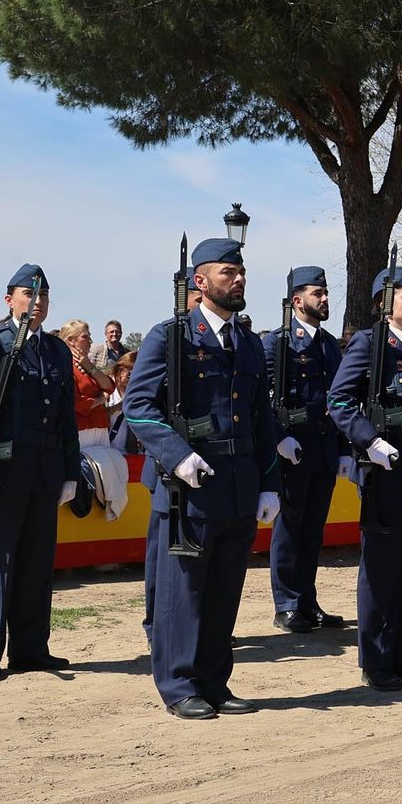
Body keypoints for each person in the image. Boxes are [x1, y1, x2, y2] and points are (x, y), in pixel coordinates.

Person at [124, 239, 281, 718]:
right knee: (183, 591)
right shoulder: (170, 336)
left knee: (224, 589)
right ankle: (178, 685)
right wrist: (176, 456)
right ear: (200, 281)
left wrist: (270, 481)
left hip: (238, 482)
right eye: (227, 272)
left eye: (241, 271)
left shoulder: (250, 341)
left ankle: (215, 681)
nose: (238, 279)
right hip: (189, 485)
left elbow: (261, 417)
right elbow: (139, 407)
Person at [0, 265, 80, 682]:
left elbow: (66, 415)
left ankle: (30, 649)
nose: (38, 301)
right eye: (29, 294)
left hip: (45, 471)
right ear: (9, 299)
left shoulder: (56, 350)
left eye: (44, 295)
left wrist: (70, 470)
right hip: (5, 471)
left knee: (35, 563)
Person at [329, 264, 402, 688]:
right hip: (387, 469)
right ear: (384, 303)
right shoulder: (369, 343)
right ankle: (376, 662)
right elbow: (340, 401)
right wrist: (369, 442)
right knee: (382, 570)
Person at [264, 266, 353, 634]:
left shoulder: (329, 344)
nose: (325, 298)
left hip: (324, 445)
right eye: (318, 293)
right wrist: (279, 437)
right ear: (297, 300)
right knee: (290, 527)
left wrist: (345, 447)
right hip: (294, 446)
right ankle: (285, 603)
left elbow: (342, 400)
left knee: (313, 529)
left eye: (326, 292)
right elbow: (263, 402)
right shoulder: (277, 343)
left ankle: (306, 600)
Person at [60, 318, 128, 520]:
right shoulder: (65, 366)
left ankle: (108, 507)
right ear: (71, 340)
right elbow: (75, 403)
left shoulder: (87, 365)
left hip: (99, 429)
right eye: (85, 336)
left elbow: (109, 386)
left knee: (108, 470)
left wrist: (90, 367)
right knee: (92, 472)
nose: (90, 340)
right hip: (82, 432)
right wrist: (99, 400)